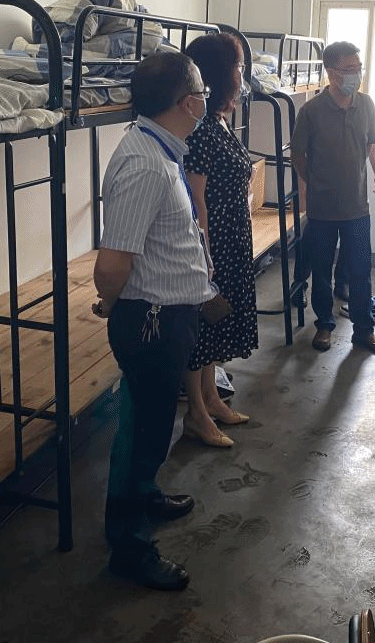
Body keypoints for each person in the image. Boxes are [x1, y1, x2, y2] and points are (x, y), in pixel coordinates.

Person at [92, 51, 217, 591]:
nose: (207, 102)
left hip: (166, 315)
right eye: (202, 94)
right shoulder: (146, 162)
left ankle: (144, 496)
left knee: (151, 424)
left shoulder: (160, 150)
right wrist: (110, 303)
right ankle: (130, 546)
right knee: (142, 434)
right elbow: (111, 263)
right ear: (187, 103)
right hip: (151, 321)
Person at [181, 33, 256, 448]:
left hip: (233, 238)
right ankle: (196, 413)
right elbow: (196, 201)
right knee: (201, 327)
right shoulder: (199, 130)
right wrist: (204, 252)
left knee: (215, 325)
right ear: (220, 72)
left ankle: (211, 398)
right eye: (238, 66)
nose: (242, 74)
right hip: (214, 243)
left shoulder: (220, 121)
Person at [290, 41, 375, 356]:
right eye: (349, 69)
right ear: (331, 72)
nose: (356, 74)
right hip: (322, 209)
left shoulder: (366, 104)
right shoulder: (311, 111)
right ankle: (324, 325)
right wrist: (313, 182)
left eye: (359, 68)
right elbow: (297, 154)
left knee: (360, 271)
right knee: (321, 271)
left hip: (357, 208)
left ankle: (364, 330)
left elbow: (373, 142)